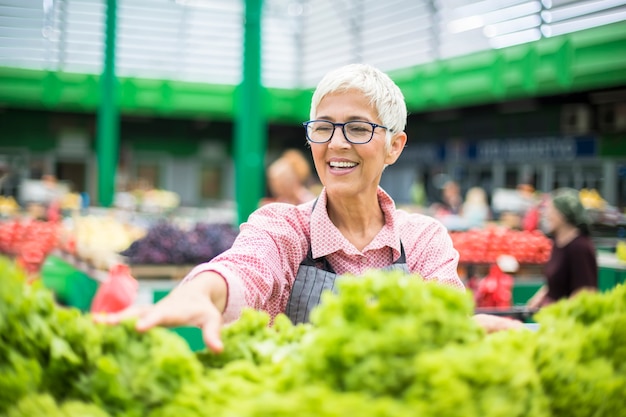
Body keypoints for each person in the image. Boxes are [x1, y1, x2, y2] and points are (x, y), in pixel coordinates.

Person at [97, 64, 522, 351]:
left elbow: (446, 324)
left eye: (358, 128)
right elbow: (245, 266)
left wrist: (461, 332)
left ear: (395, 146)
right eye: (323, 128)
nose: (337, 143)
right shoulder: (283, 228)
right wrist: (200, 292)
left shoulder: (423, 240)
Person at [527, 188, 598, 309]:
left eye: (550, 210)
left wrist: (559, 315)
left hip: (569, 323)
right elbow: (558, 282)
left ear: (563, 215)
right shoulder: (557, 243)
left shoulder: (580, 247)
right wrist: (539, 298)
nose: (546, 215)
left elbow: (585, 292)